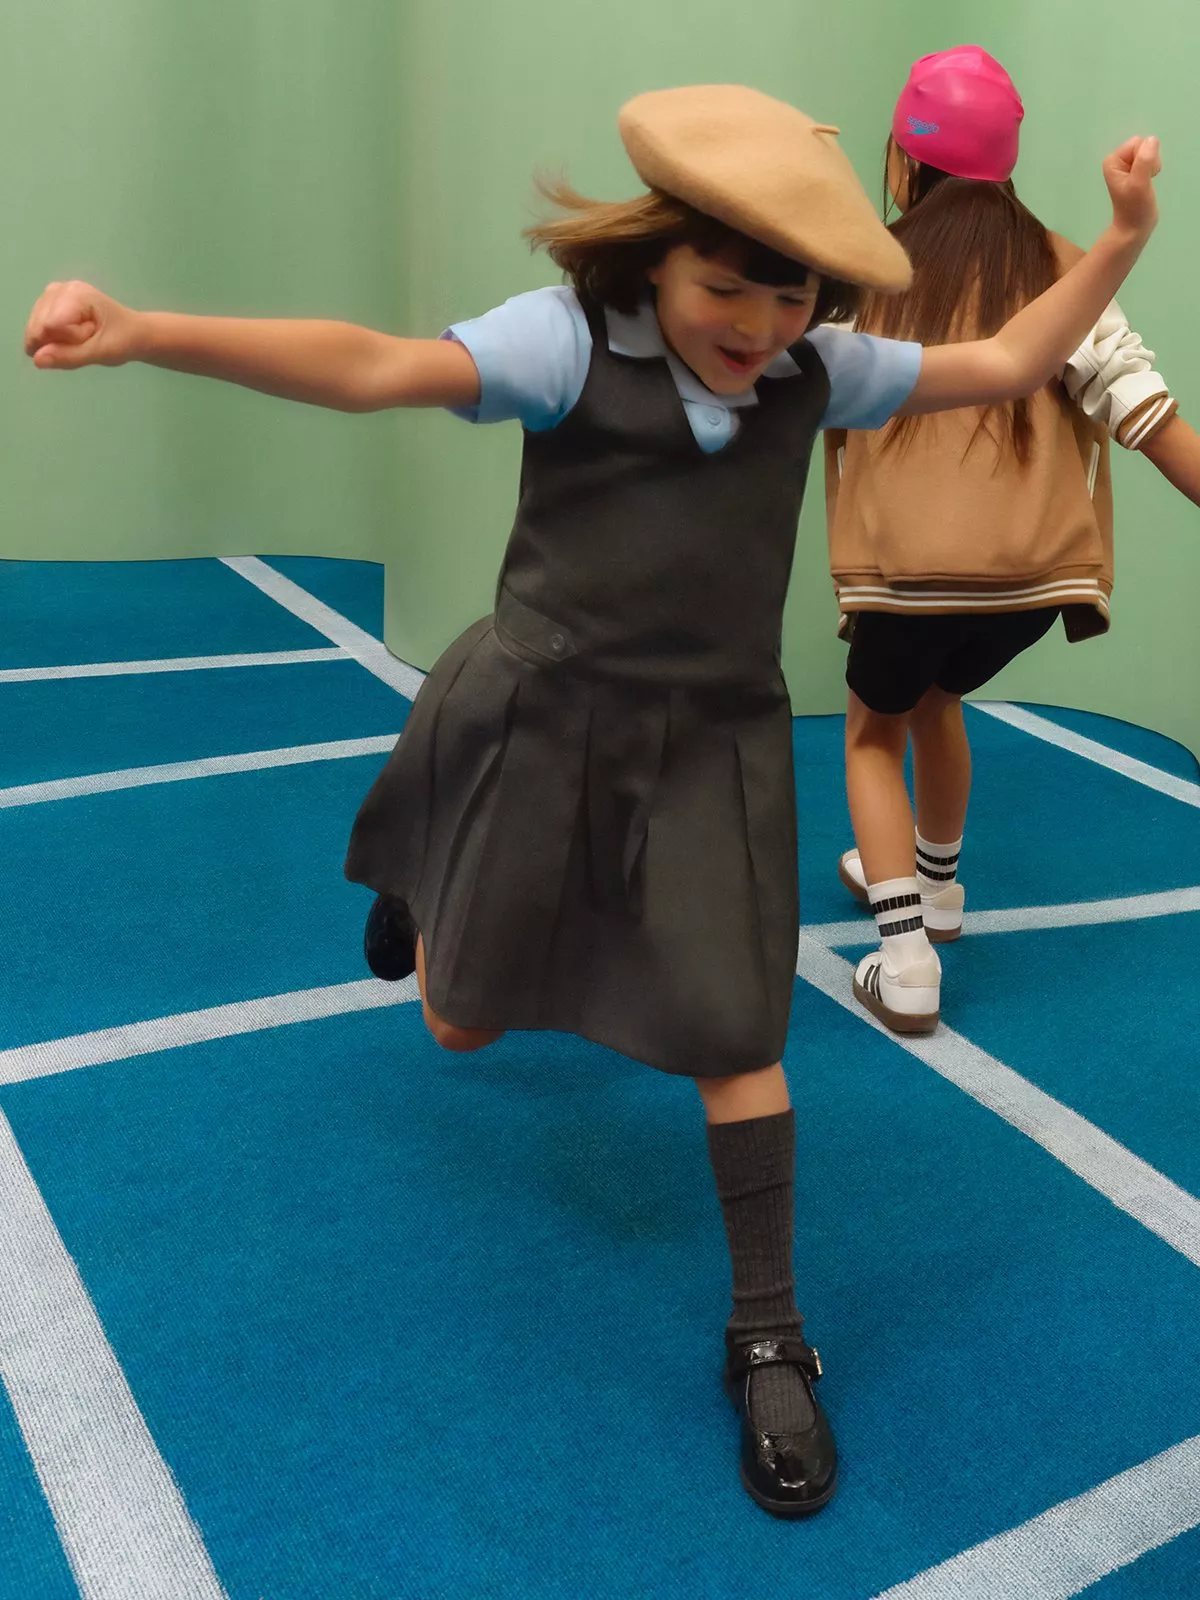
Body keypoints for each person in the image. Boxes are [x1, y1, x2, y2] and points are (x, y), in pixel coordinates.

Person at [25, 84, 1160, 1518]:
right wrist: (144, 332)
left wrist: (1119, 238)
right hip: (548, 716)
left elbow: (1004, 360)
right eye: (724, 280)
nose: (754, 318)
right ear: (655, 258)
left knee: (738, 1033)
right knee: (459, 1022)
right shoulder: (562, 342)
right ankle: (435, 875)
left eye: (788, 287)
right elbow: (373, 366)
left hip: (715, 753)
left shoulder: (821, 370)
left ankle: (766, 1330)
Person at [827, 46, 1199, 1037]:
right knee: (940, 698)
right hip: (1036, 582)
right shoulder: (1061, 268)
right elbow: (1148, 415)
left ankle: (904, 955)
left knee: (873, 729)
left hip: (905, 579)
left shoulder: (862, 272)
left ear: (903, 164)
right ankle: (937, 888)